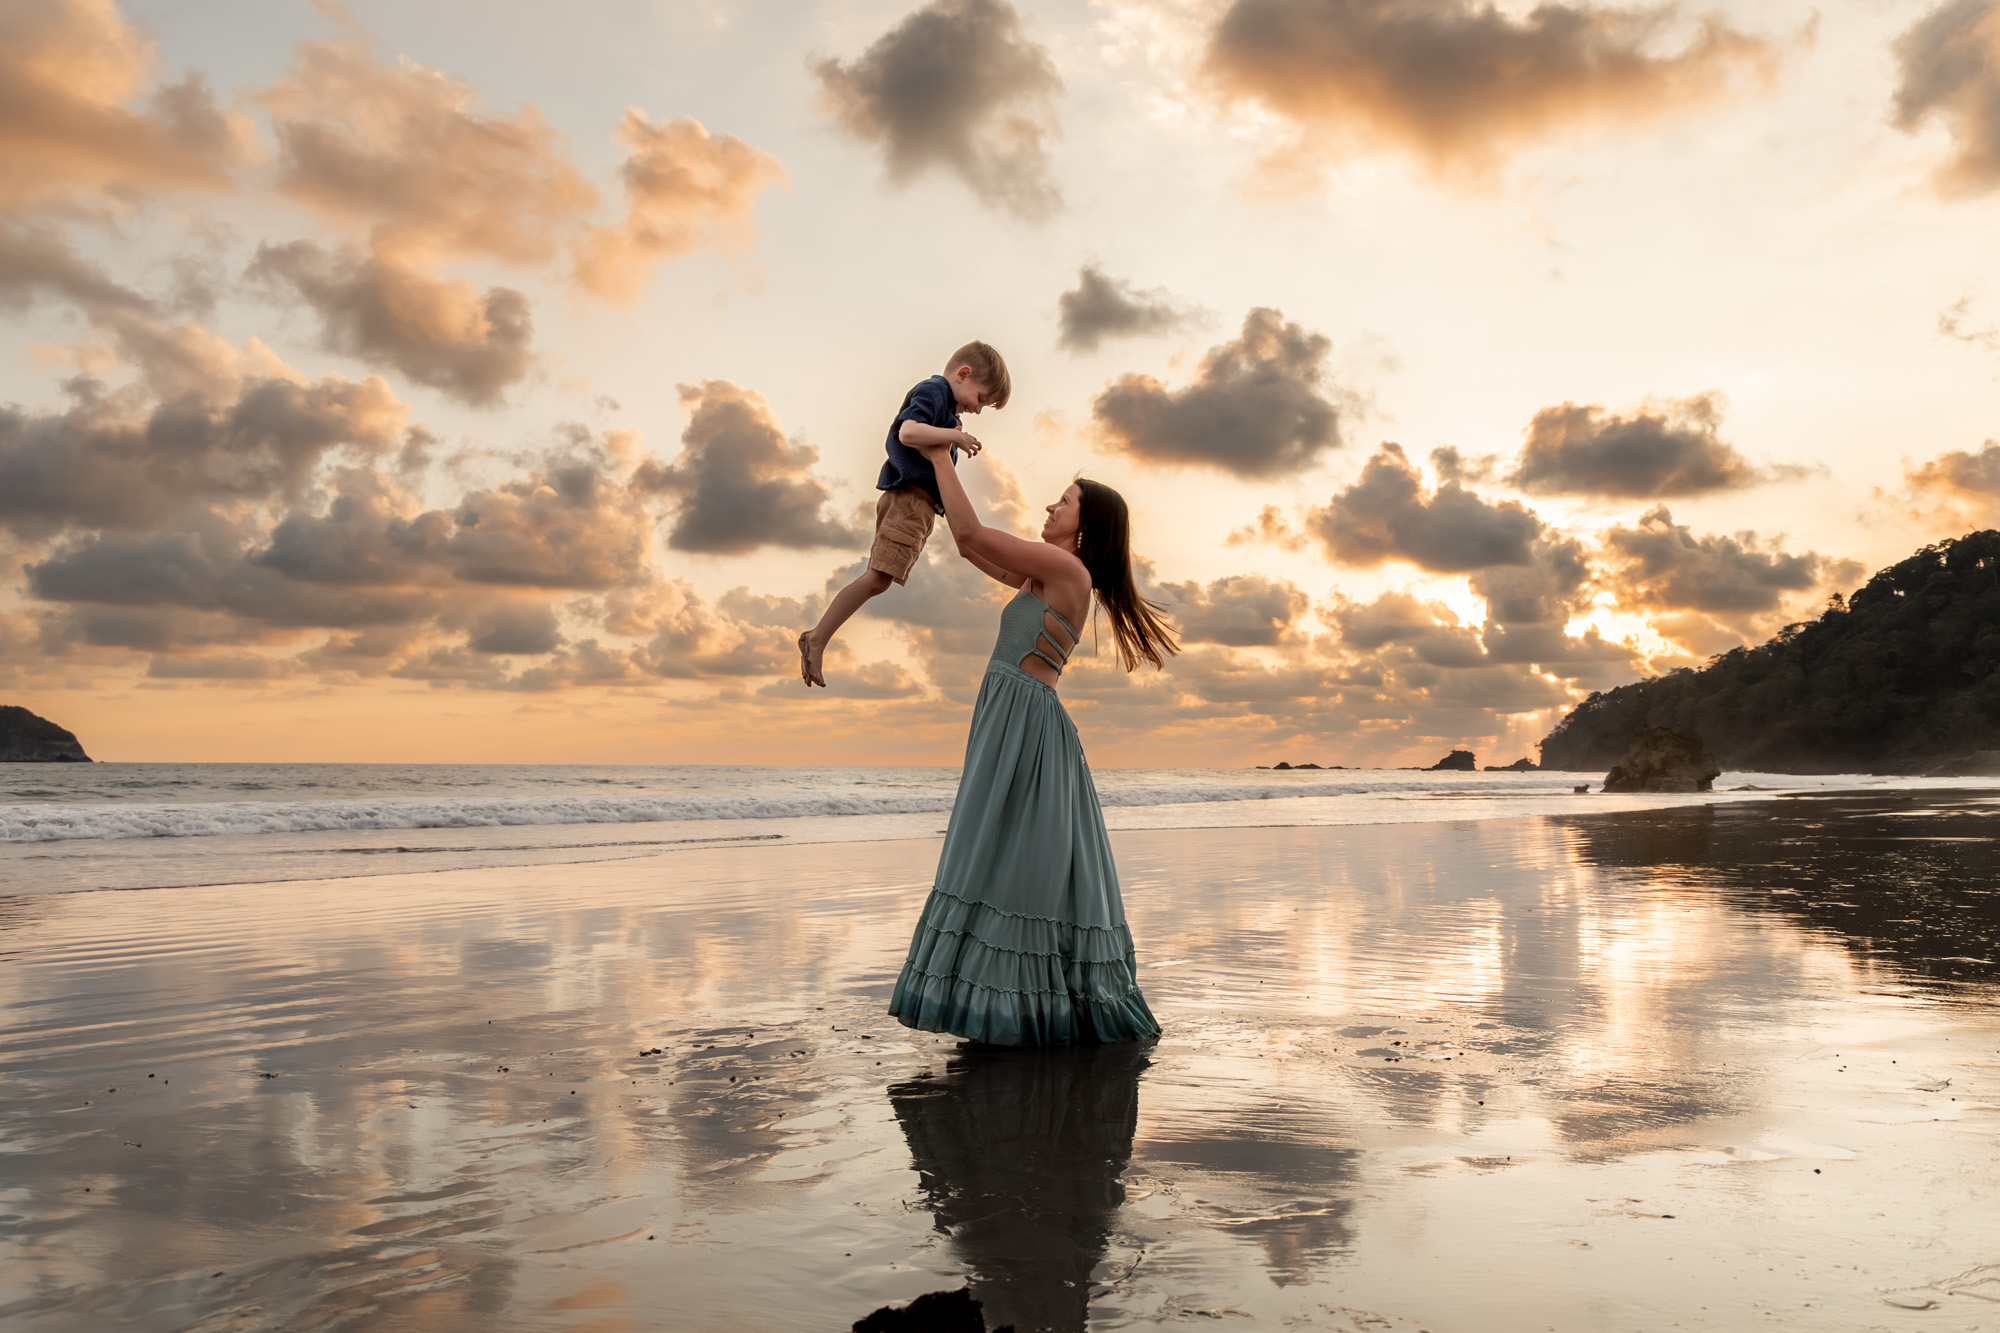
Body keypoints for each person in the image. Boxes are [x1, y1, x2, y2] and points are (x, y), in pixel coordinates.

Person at [886, 437, 1179, 1046]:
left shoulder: (1068, 571)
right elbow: (973, 552)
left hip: (1025, 724)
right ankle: (996, 999)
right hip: (1013, 718)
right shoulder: (1039, 574)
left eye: (1064, 502)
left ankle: (1018, 1009)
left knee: (1011, 858)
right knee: (999, 853)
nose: (1050, 507)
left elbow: (969, 535)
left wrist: (940, 453)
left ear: (1085, 525)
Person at [797, 341, 1010, 688]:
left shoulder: (947, 411)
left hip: (916, 505)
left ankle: (818, 636)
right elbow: (908, 432)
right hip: (909, 501)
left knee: (877, 579)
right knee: (876, 579)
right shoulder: (936, 391)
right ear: (963, 374)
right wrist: (953, 439)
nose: (978, 409)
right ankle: (817, 637)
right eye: (982, 398)